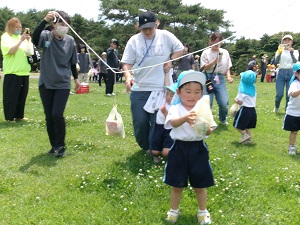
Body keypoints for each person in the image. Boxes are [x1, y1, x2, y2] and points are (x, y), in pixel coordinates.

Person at [121, 10, 184, 153]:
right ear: (139, 27)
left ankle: (153, 148)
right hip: (140, 88)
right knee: (140, 122)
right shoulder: (134, 41)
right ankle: (145, 146)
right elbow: (126, 63)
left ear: (157, 24)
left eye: (150, 27)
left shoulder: (166, 36)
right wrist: (128, 77)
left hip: (161, 88)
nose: (148, 31)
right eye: (144, 28)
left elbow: (180, 49)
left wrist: (171, 60)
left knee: (158, 122)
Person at [163, 71, 216, 224]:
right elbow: (172, 123)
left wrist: (207, 130)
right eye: (188, 91)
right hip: (179, 149)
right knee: (176, 185)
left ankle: (202, 211)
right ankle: (173, 210)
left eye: (197, 92)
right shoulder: (176, 108)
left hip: (198, 149)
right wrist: (186, 118)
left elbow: (210, 128)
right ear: (178, 92)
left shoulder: (203, 108)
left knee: (200, 185)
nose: (192, 96)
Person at [32, 10, 80, 157]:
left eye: (67, 25)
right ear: (53, 24)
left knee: (57, 114)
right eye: (61, 24)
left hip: (63, 83)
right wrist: (44, 20)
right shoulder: (46, 36)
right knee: (49, 116)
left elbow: (72, 63)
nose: (64, 27)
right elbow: (34, 39)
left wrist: (76, 79)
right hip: (46, 83)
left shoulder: (70, 40)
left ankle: (61, 146)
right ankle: (54, 146)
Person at [1, 17, 32, 122]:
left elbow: (29, 53)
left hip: (24, 71)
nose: (19, 29)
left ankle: (19, 116)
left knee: (21, 96)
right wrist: (20, 40)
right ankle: (10, 117)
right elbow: (11, 51)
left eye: (20, 27)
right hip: (12, 72)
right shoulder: (6, 37)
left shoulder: (21, 37)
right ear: (11, 27)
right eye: (16, 27)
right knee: (11, 97)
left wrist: (28, 40)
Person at [200, 32, 234, 125]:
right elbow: (204, 68)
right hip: (208, 78)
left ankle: (223, 119)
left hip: (220, 78)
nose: (217, 44)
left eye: (219, 42)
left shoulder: (225, 52)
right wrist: (214, 62)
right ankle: (207, 122)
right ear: (210, 41)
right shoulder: (205, 52)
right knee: (208, 102)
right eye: (215, 41)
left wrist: (229, 77)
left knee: (224, 102)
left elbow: (227, 67)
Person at [151, 81, 176, 162]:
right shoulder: (163, 101)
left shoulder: (175, 107)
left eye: (172, 95)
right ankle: (156, 155)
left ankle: (168, 154)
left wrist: (165, 112)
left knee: (166, 152)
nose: (168, 97)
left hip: (169, 129)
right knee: (155, 150)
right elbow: (166, 84)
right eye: (167, 94)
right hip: (159, 127)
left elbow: (171, 120)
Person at [274, 34, 299, 113]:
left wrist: (291, 53)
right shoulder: (279, 50)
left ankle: (287, 110)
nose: (287, 41)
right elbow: (276, 62)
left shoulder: (295, 51)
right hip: (281, 72)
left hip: (291, 72)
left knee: (289, 95)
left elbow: (296, 62)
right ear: (282, 41)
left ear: (292, 42)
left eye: (289, 40)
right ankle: (276, 107)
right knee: (279, 94)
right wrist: (280, 52)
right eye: (285, 40)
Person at [233, 70, 257, 144]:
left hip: (244, 110)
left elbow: (240, 101)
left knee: (237, 125)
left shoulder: (242, 90)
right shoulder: (253, 89)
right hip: (252, 111)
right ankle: (249, 140)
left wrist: (235, 100)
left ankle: (244, 135)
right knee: (247, 126)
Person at [283, 62, 300, 155]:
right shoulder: (294, 83)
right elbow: (293, 94)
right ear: (296, 74)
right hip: (293, 112)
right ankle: (292, 146)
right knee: (294, 131)